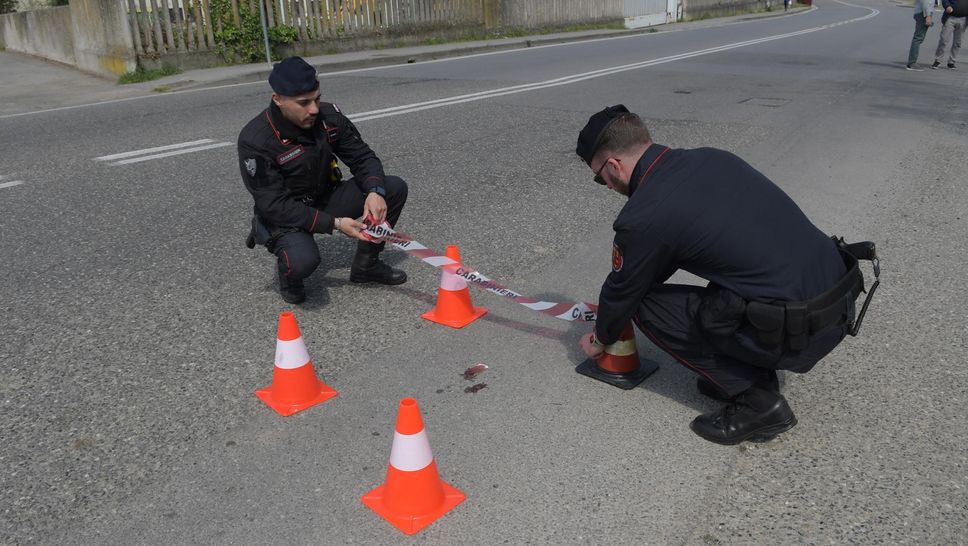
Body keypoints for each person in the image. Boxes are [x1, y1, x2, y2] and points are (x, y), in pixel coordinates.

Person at [575, 105, 866, 446]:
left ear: (614, 165)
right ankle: (742, 368)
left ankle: (759, 404)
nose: (607, 186)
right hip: (837, 301)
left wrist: (600, 339)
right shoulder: (713, 158)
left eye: (600, 178)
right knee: (728, 276)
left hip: (801, 332)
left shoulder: (644, 215)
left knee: (643, 305)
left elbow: (624, 291)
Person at [238, 57, 408, 304]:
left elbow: (363, 158)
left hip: (324, 196)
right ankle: (288, 275)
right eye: (303, 103)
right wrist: (335, 224)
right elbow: (274, 204)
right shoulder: (256, 140)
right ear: (278, 99)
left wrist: (374, 191)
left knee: (391, 188)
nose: (314, 109)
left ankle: (366, 266)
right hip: (286, 212)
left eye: (316, 99)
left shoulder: (329, 117)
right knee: (303, 261)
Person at [931, 0, 967, 69]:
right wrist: (947, 6)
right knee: (943, 40)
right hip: (950, 18)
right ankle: (938, 60)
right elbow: (945, 0)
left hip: (963, 19)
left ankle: (951, 62)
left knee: (957, 43)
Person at [907, 0, 936, 70]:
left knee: (918, 38)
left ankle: (911, 62)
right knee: (918, 38)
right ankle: (912, 63)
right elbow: (925, 1)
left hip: (923, 12)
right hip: (923, 13)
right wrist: (928, 16)